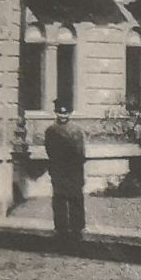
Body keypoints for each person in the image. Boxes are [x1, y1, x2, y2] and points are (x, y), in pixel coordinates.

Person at [43, 101, 87, 239]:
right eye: (60, 112)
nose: (63, 115)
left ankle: (77, 227)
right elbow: (49, 149)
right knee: (59, 198)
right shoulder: (51, 130)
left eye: (65, 113)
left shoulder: (76, 130)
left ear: (70, 113)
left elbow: (80, 151)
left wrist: (78, 167)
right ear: (56, 113)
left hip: (73, 168)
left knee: (76, 197)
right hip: (58, 168)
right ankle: (61, 227)